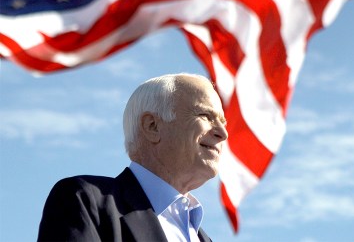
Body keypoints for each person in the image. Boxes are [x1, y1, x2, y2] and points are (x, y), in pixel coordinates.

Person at [37, 73, 228, 242]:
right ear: (152, 126)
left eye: (222, 122)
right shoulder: (85, 201)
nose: (223, 133)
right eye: (205, 115)